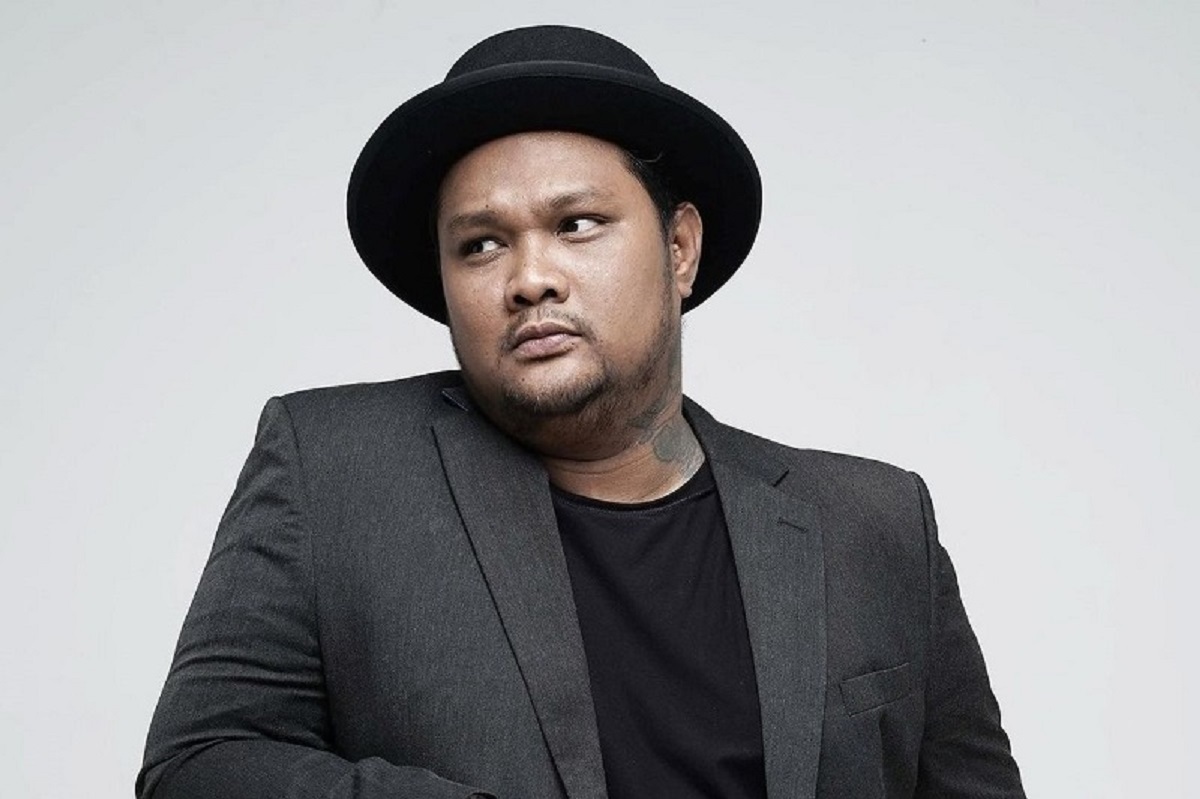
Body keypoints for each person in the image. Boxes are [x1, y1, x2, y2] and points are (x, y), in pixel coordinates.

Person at [138, 25, 1025, 799]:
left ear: (680, 248)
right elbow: (198, 765)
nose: (530, 278)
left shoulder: (873, 523)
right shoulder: (331, 468)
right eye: (481, 244)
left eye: (577, 224)